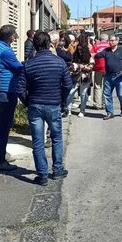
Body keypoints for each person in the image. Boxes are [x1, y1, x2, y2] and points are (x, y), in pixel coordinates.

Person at [17, 31, 72, 185]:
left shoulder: (28, 64)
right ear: (50, 44)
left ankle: (42, 175)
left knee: (38, 141)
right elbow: (67, 85)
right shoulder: (59, 62)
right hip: (53, 104)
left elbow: (20, 89)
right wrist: (62, 101)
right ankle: (57, 170)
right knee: (56, 138)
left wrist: (28, 102)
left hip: (35, 105)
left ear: (34, 45)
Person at [0, 24, 23, 171]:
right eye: (14, 37)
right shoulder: (6, 51)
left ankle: (1, 152)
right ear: (10, 37)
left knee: (0, 124)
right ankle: (0, 160)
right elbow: (19, 68)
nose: (14, 40)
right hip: (6, 90)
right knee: (4, 125)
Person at [94, 35, 122, 120]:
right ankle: (110, 113)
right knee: (107, 95)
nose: (110, 42)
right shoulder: (106, 51)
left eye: (112, 40)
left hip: (119, 76)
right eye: (110, 41)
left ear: (117, 41)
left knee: (121, 95)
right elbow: (98, 55)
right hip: (108, 76)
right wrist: (93, 55)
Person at [68, 32, 93, 117]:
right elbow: (90, 63)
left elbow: (75, 61)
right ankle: (81, 110)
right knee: (82, 93)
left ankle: (70, 110)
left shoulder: (78, 48)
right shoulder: (86, 48)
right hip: (84, 75)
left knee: (74, 92)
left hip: (79, 74)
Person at [91, 34, 110, 108]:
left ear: (99, 38)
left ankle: (97, 104)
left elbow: (92, 55)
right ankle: (105, 103)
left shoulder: (96, 45)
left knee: (98, 86)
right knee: (107, 86)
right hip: (108, 68)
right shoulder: (109, 45)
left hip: (98, 68)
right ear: (107, 39)